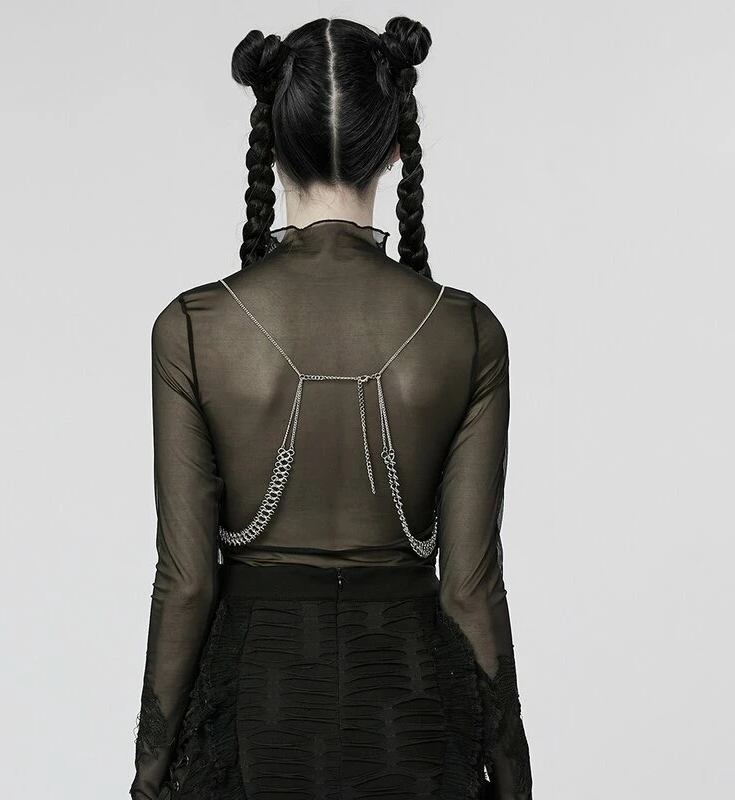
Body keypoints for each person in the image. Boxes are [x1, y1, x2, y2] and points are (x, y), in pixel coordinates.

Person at [129, 15, 533, 800]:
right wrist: (515, 778)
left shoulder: (192, 327)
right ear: (395, 147)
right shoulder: (468, 331)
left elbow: (186, 582)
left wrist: (149, 777)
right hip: (414, 718)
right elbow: (471, 589)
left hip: (254, 722)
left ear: (272, 146)